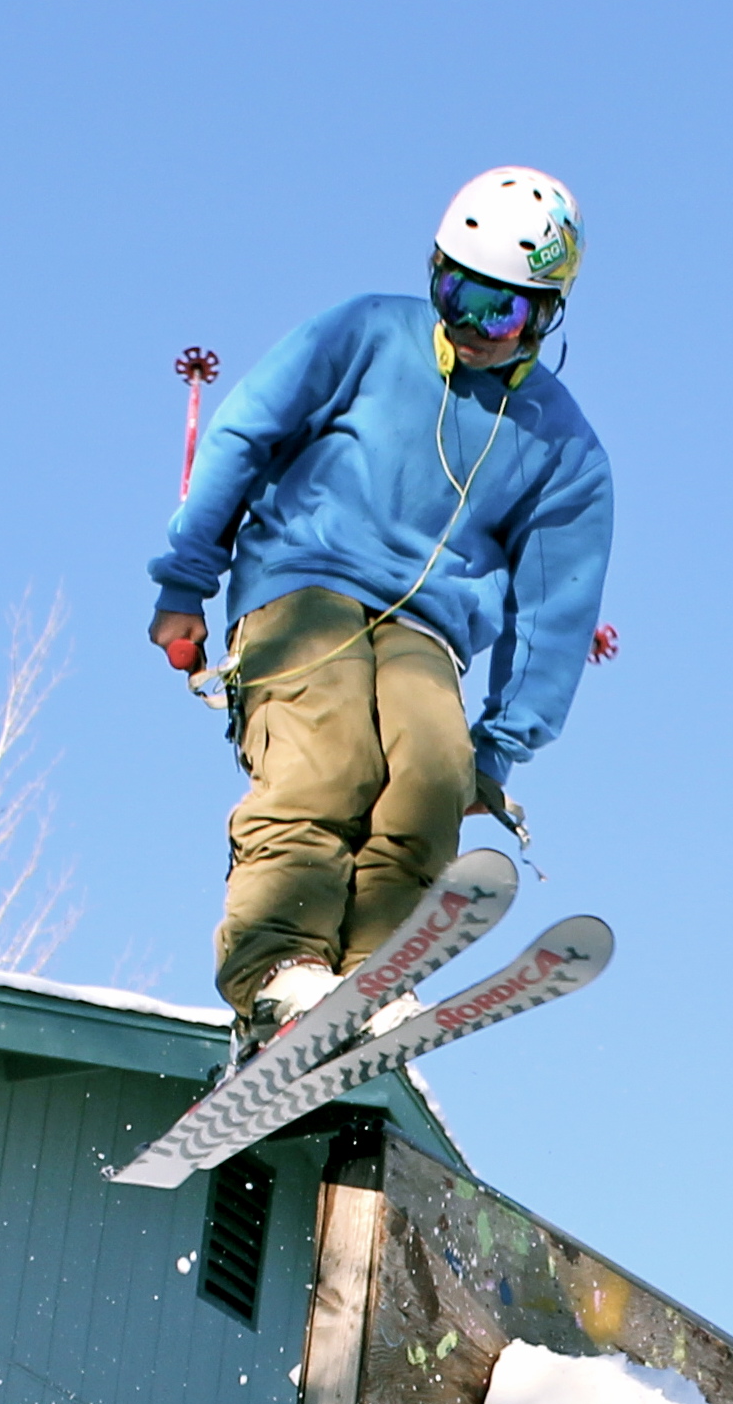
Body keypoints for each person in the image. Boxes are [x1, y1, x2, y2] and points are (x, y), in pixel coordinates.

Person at [149, 167, 614, 1045]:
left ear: (547, 316)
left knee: (432, 771)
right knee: (327, 757)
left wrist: (503, 745)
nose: (470, 327)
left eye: (501, 312)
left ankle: (370, 971)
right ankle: (279, 960)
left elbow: (556, 605)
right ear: (432, 271)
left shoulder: (564, 447)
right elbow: (246, 430)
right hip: (302, 580)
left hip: (430, 629)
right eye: (456, 292)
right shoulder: (365, 333)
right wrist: (187, 581)